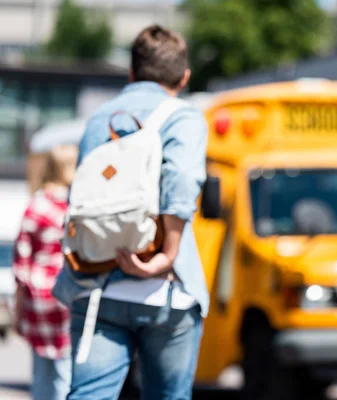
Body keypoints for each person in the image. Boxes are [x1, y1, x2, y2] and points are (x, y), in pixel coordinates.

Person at [52, 25, 209, 399]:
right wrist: (166, 255)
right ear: (184, 77)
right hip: (165, 294)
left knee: (90, 394)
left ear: (132, 72)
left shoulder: (98, 119)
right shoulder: (183, 117)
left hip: (96, 285)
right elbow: (182, 178)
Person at [13, 144, 78, 400]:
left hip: (39, 294)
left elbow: (22, 260)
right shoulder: (77, 204)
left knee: (41, 372)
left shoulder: (37, 205)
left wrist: (18, 307)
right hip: (70, 290)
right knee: (66, 369)